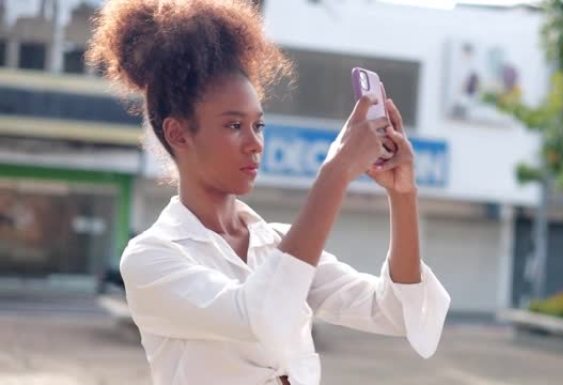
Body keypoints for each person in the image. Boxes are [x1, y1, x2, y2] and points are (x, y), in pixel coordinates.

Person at [86, 1, 450, 384]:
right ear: (179, 134)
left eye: (258, 125)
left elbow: (392, 311)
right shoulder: (151, 258)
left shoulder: (277, 243)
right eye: (233, 126)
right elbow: (258, 315)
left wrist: (403, 195)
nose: (255, 143)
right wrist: (336, 172)